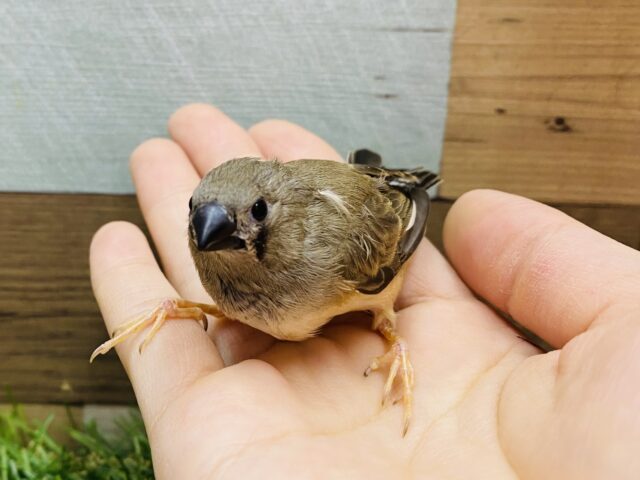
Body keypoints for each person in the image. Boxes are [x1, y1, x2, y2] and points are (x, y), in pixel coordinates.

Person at [91, 103, 640, 479]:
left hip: (373, 211)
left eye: (253, 214)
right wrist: (180, 304)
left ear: (273, 211)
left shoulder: (333, 249)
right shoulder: (208, 246)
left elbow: (400, 222)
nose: (209, 234)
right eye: (199, 216)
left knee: (381, 311)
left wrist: (394, 337)